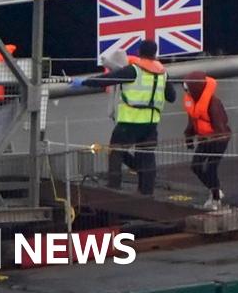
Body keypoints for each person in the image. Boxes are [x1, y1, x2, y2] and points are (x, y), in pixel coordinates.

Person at [73, 39, 175, 195]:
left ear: (140, 53)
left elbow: (105, 80)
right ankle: (146, 190)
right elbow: (171, 97)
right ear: (155, 54)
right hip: (151, 123)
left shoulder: (134, 70)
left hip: (130, 121)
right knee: (147, 155)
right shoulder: (163, 73)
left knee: (116, 151)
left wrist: (84, 82)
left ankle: (114, 185)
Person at [182, 70, 231, 210]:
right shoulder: (194, 101)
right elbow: (192, 121)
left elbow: (220, 126)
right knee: (196, 166)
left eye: (189, 89)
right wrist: (189, 136)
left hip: (218, 140)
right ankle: (214, 190)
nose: (187, 92)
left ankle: (215, 199)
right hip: (204, 139)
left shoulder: (214, 103)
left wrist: (214, 139)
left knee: (211, 168)